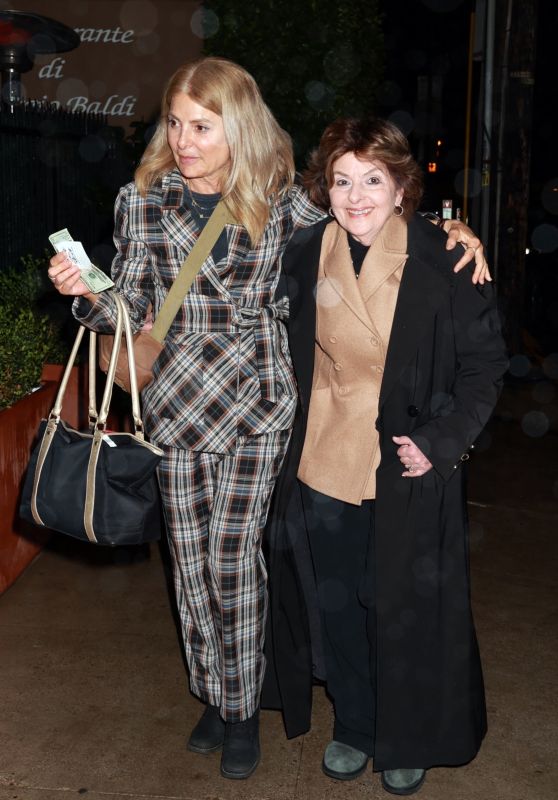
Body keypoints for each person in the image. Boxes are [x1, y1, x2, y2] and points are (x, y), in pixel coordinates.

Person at [47, 57, 490, 782]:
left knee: (234, 563)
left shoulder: (282, 201)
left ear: (237, 129)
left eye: (201, 126)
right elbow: (125, 308)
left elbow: (368, 222)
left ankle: (244, 706)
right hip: (176, 403)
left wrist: (452, 229)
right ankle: (214, 694)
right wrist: (83, 294)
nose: (184, 141)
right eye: (175, 124)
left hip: (258, 405)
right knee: (189, 569)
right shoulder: (142, 201)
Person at [263, 116, 508, 795]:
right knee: (339, 604)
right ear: (324, 188)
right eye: (341, 180)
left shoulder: (448, 257)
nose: (356, 194)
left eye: (373, 178)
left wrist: (441, 442)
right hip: (325, 456)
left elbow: (485, 368)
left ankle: (408, 735)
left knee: (401, 608)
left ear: (401, 185)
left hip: (408, 463)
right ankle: (356, 725)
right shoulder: (306, 249)